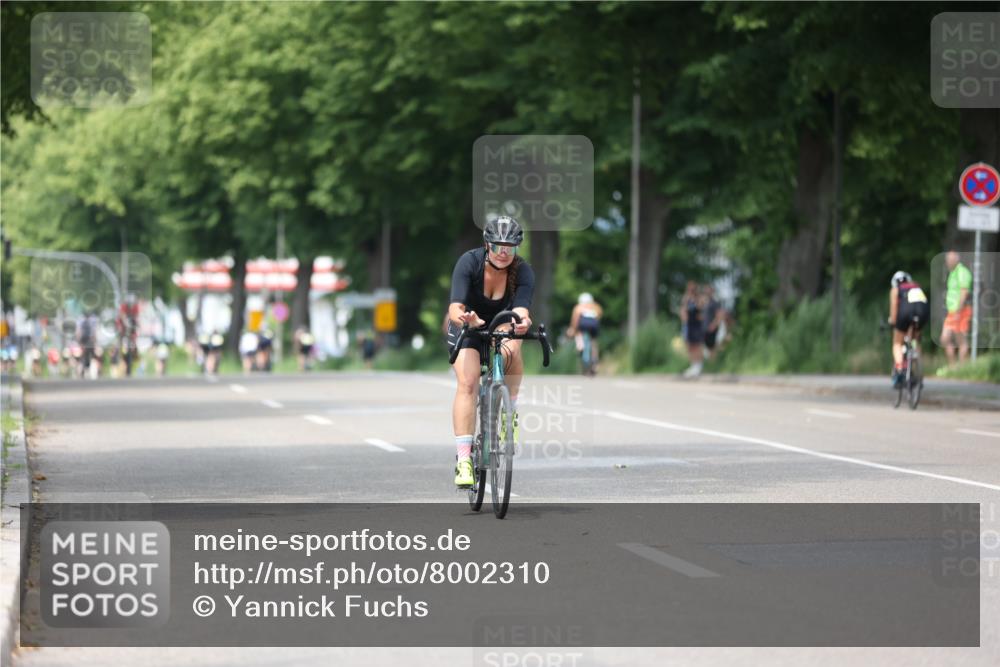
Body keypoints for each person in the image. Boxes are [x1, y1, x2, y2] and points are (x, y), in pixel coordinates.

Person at [446, 215, 535, 487]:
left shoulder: (523, 271)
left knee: (512, 345)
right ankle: (464, 460)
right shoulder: (469, 262)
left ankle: (510, 411)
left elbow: (520, 310)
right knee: (468, 383)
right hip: (468, 326)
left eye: (510, 247)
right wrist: (467, 320)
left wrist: (522, 323)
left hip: (500, 325)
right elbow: (455, 308)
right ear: (487, 244)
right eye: (498, 246)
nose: (503, 252)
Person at [888, 271, 930, 388]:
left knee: (897, 343)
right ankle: (917, 367)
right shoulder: (917, 287)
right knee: (914, 339)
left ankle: (900, 369)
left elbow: (894, 312)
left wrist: (893, 323)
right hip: (923, 311)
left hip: (906, 311)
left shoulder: (896, 289)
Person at [941, 250, 972, 367]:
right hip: (952, 311)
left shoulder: (962, 272)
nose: (947, 262)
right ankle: (953, 367)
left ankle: (963, 368)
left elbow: (964, 292)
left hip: (961, 310)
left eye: (950, 260)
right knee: (945, 339)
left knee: (961, 340)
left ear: (956, 260)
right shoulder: (952, 273)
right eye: (947, 260)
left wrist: (959, 310)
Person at [567, 292, 603, 375]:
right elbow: (599, 316)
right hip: (594, 325)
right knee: (593, 342)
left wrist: (573, 329)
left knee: (579, 334)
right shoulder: (595, 306)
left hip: (583, 325)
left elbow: (575, 320)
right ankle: (594, 362)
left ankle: (580, 347)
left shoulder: (578, 307)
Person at [680, 282, 704, 378]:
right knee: (690, 346)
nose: (690, 291)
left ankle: (698, 366)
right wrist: (686, 300)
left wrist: (695, 300)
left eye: (692, 289)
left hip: (696, 326)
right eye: (689, 289)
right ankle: (693, 365)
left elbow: (700, 308)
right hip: (689, 325)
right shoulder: (686, 299)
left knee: (697, 346)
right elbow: (683, 311)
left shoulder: (699, 299)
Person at [702, 285, 725, 360]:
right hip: (705, 329)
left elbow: (719, 315)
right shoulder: (705, 303)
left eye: (708, 290)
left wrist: (713, 325)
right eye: (705, 290)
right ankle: (712, 362)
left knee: (713, 347)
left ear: (712, 291)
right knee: (708, 348)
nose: (706, 292)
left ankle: (715, 362)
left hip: (711, 329)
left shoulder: (714, 302)